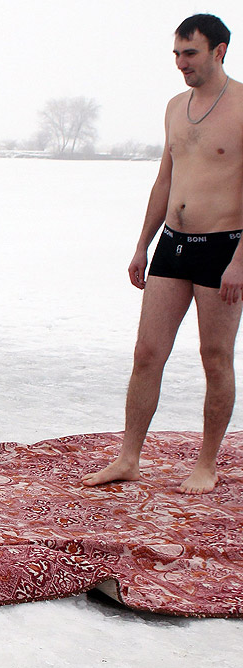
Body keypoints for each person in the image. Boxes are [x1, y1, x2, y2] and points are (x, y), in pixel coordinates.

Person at [83, 14, 243, 495]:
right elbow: (165, 179)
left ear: (219, 50)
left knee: (214, 357)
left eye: (189, 53)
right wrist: (142, 243)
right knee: (147, 352)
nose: (180, 63)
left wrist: (241, 260)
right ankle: (129, 457)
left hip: (224, 248)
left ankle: (207, 463)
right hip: (173, 243)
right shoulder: (175, 106)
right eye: (176, 54)